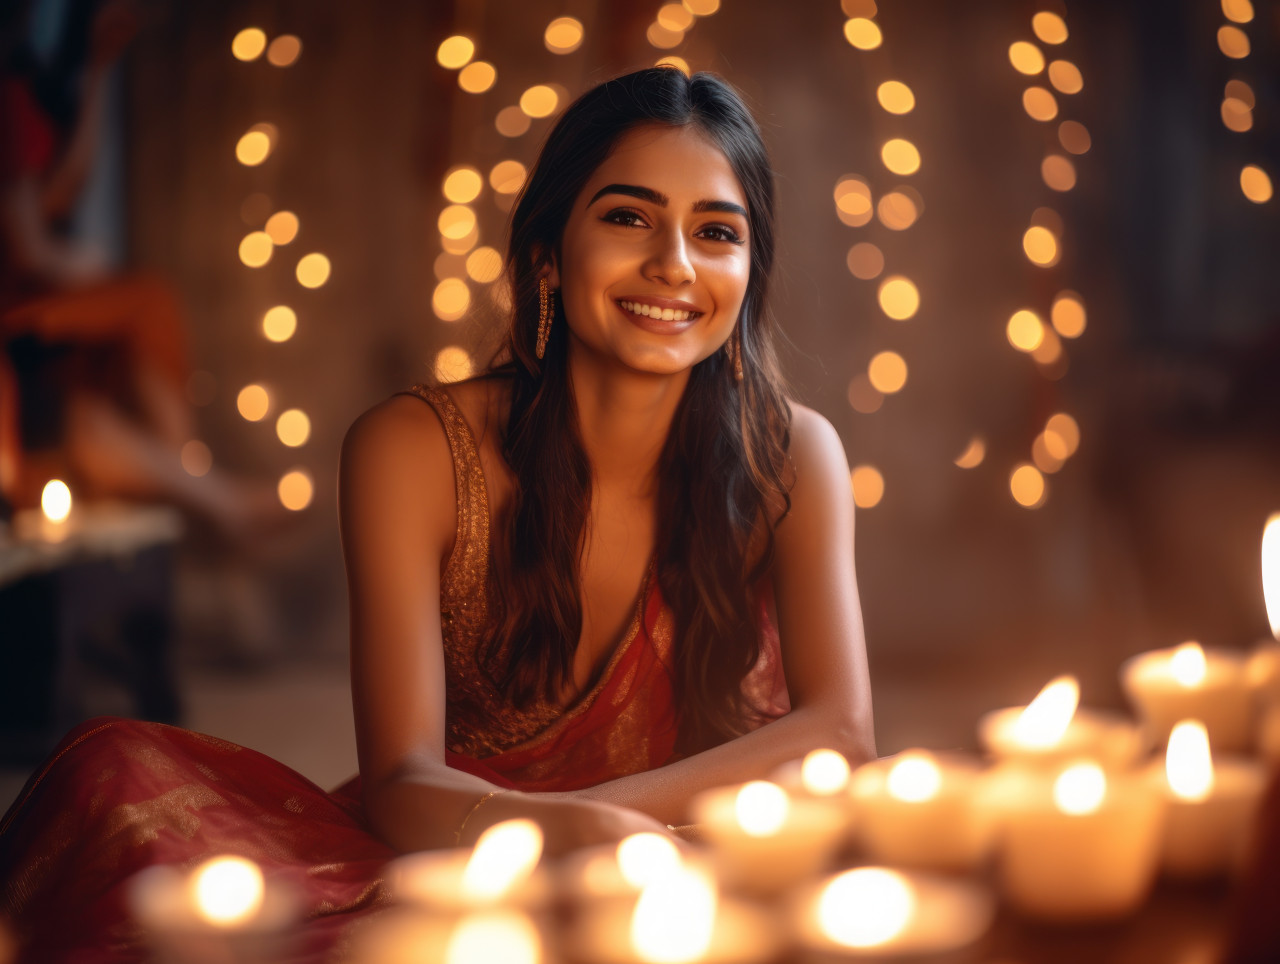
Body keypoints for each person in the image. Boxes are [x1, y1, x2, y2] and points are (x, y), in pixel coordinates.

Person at [0, 66, 873, 959]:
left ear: (748, 267)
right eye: (627, 217)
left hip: (683, 859)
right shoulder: (410, 450)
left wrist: (597, 831)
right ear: (546, 253)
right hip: (454, 852)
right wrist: (549, 839)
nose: (674, 265)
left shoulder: (791, 457)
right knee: (108, 780)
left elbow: (840, 733)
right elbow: (401, 782)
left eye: (716, 232)